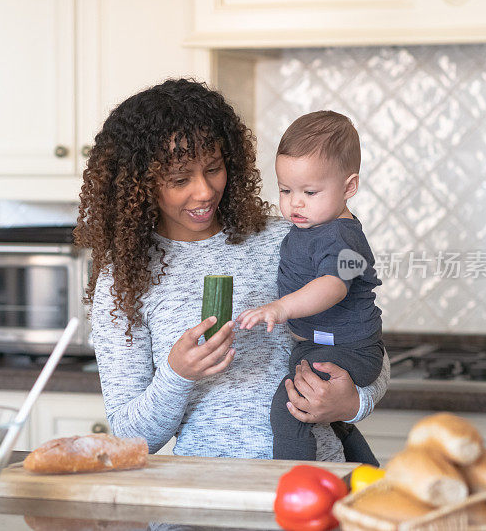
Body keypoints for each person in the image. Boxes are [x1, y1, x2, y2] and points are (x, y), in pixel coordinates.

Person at [74, 78, 389, 462]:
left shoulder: (288, 237)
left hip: (316, 491)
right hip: (203, 498)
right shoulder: (125, 279)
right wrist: (177, 374)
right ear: (140, 184)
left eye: (213, 169)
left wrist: (352, 402)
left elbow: (363, 338)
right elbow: (131, 437)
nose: (204, 191)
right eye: (179, 179)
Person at [237, 111, 384, 461]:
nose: (295, 202)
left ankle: (292, 483)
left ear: (349, 187)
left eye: (310, 191)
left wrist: (281, 308)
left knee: (289, 408)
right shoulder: (312, 226)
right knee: (324, 418)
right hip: (319, 347)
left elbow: (334, 285)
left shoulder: (343, 237)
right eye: (286, 190)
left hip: (351, 350)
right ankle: (366, 465)